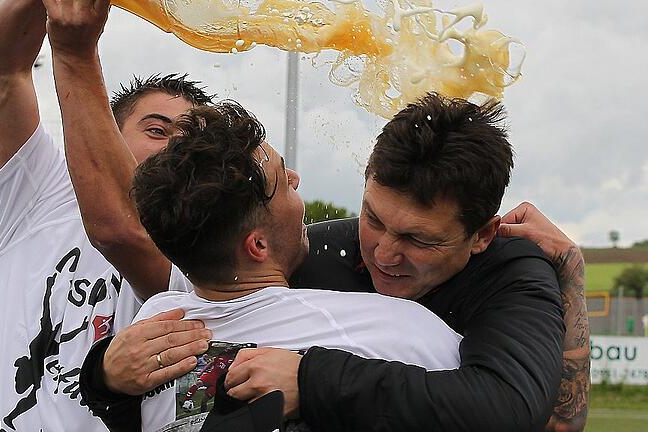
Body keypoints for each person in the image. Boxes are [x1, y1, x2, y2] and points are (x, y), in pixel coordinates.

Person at [41, 0, 587, 430]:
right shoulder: (315, 250)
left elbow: (513, 412)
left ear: (482, 234)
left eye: (420, 241)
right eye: (373, 217)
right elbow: (168, 251)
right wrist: (106, 376)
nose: (384, 252)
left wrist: (312, 378)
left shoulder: (512, 272)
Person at [0, 1, 214, 431]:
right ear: (104, 130)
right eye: (157, 130)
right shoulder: (43, 196)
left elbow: (121, 228)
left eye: (191, 141)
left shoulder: (200, 261)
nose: (173, 148)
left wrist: (73, 48)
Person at [128, 101, 463, 432]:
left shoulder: (151, 327)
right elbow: (494, 404)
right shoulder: (392, 328)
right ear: (257, 246)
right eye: (281, 181)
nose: (295, 178)